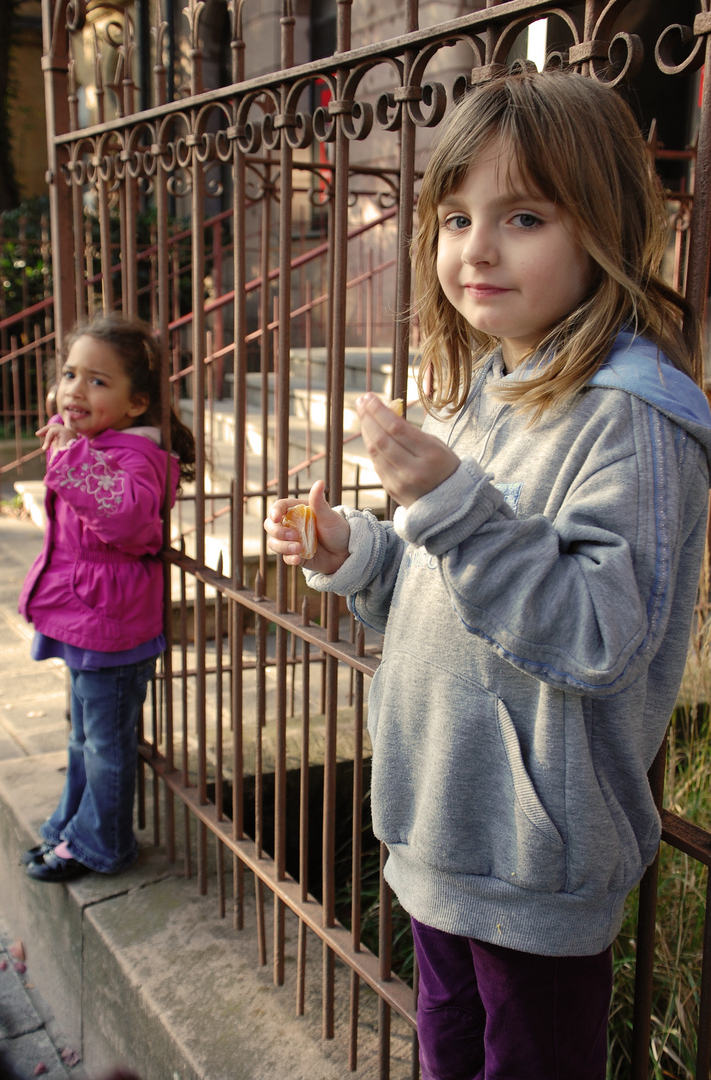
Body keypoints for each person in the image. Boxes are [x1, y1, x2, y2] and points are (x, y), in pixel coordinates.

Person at [264, 67, 711, 1079]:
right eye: (456, 216)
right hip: (440, 835)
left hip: (530, 865)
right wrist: (356, 552)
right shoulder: (485, 386)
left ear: (601, 228)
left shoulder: (628, 419)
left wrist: (454, 507)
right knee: (442, 1053)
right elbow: (445, 589)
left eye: (521, 215)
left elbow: (597, 636)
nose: (476, 247)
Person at [18, 314, 194, 884]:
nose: (74, 389)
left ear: (137, 402)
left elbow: (126, 519)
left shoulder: (136, 456)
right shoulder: (93, 443)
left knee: (105, 747)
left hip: (112, 631)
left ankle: (103, 844)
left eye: (97, 380)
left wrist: (71, 458)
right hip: (86, 620)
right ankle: (74, 822)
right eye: (70, 373)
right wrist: (73, 451)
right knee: (82, 736)